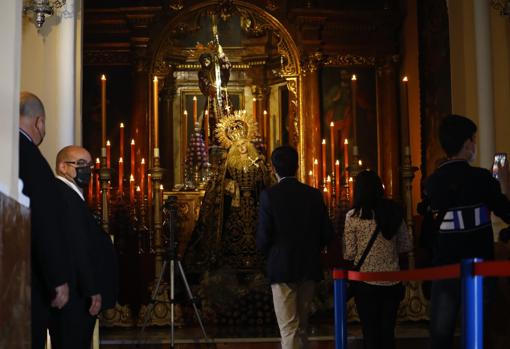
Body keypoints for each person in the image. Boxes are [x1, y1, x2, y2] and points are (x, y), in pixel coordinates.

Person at [420, 114, 510, 349]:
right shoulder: (481, 178)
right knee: (478, 334)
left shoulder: (432, 183)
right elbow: (507, 212)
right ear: (468, 143)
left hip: (444, 269)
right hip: (479, 269)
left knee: (441, 336)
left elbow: (428, 232)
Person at [256, 145, 334, 349]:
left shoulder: (269, 196)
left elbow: (263, 237)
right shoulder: (314, 195)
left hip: (281, 267)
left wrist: (272, 255)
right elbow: (327, 233)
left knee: (288, 328)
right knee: (302, 326)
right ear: (297, 166)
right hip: (308, 266)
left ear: (273, 168)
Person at [48, 145, 118, 349]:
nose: (86, 169)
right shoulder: (64, 195)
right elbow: (78, 246)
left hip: (77, 294)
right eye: (80, 164)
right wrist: (91, 289)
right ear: (62, 166)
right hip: (76, 296)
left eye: (89, 165)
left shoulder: (69, 195)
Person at [18, 91, 70, 349]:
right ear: (38, 122)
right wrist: (58, 279)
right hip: (28, 280)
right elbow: (43, 223)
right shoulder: (31, 158)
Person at [343, 170, 412, 349]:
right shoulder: (394, 211)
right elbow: (405, 245)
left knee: (370, 332)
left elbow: (349, 253)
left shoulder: (353, 216)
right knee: (388, 332)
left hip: (365, 282)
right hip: (392, 281)